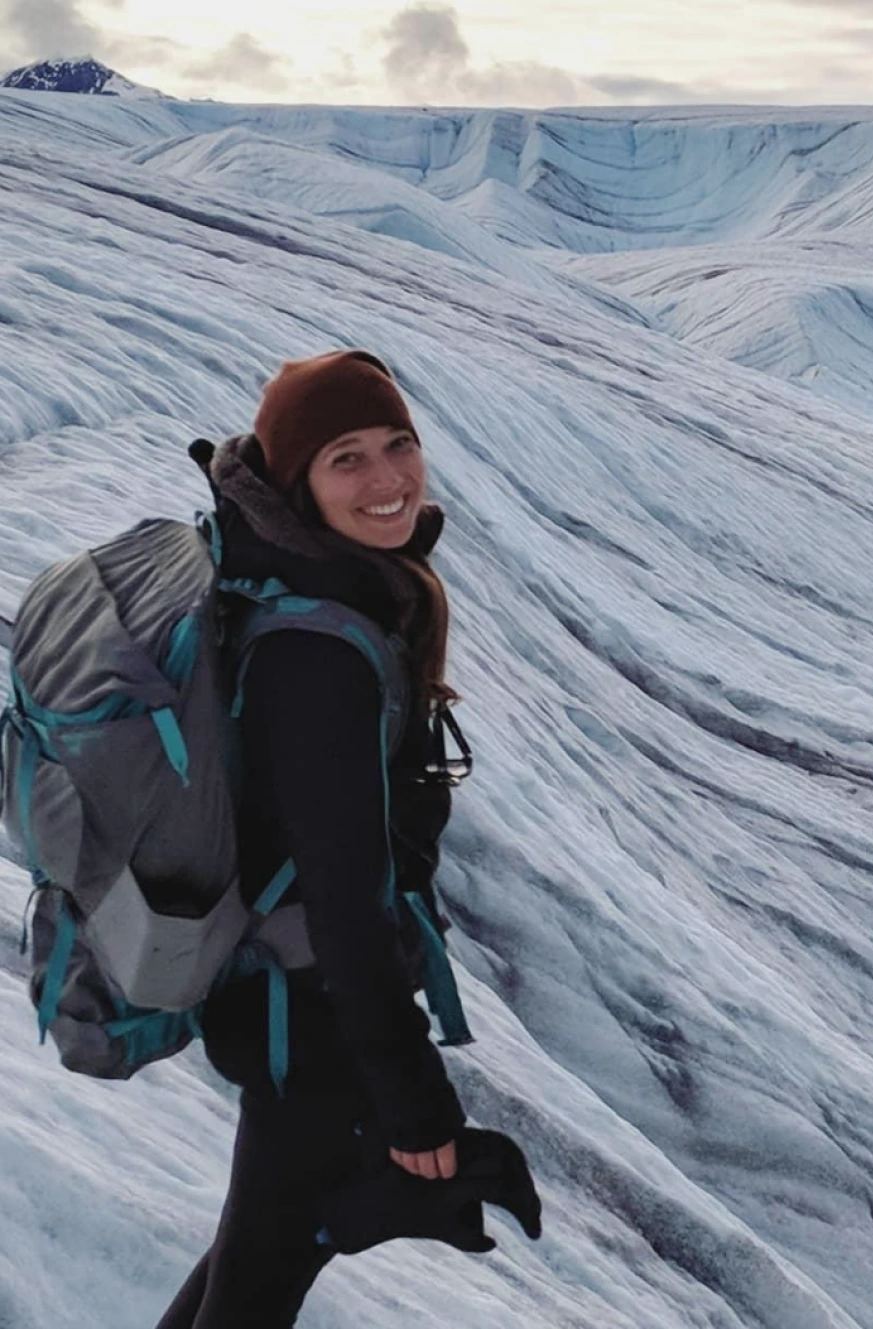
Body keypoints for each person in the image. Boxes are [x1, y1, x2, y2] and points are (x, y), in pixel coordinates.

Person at [156, 351, 539, 1329]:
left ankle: (348, 1213)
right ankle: (354, 1210)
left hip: (278, 998)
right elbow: (346, 899)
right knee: (257, 1280)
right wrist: (415, 1100)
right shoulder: (317, 655)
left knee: (256, 1259)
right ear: (296, 483)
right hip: (308, 1016)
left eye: (397, 445)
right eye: (346, 458)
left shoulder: (318, 588)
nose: (387, 480)